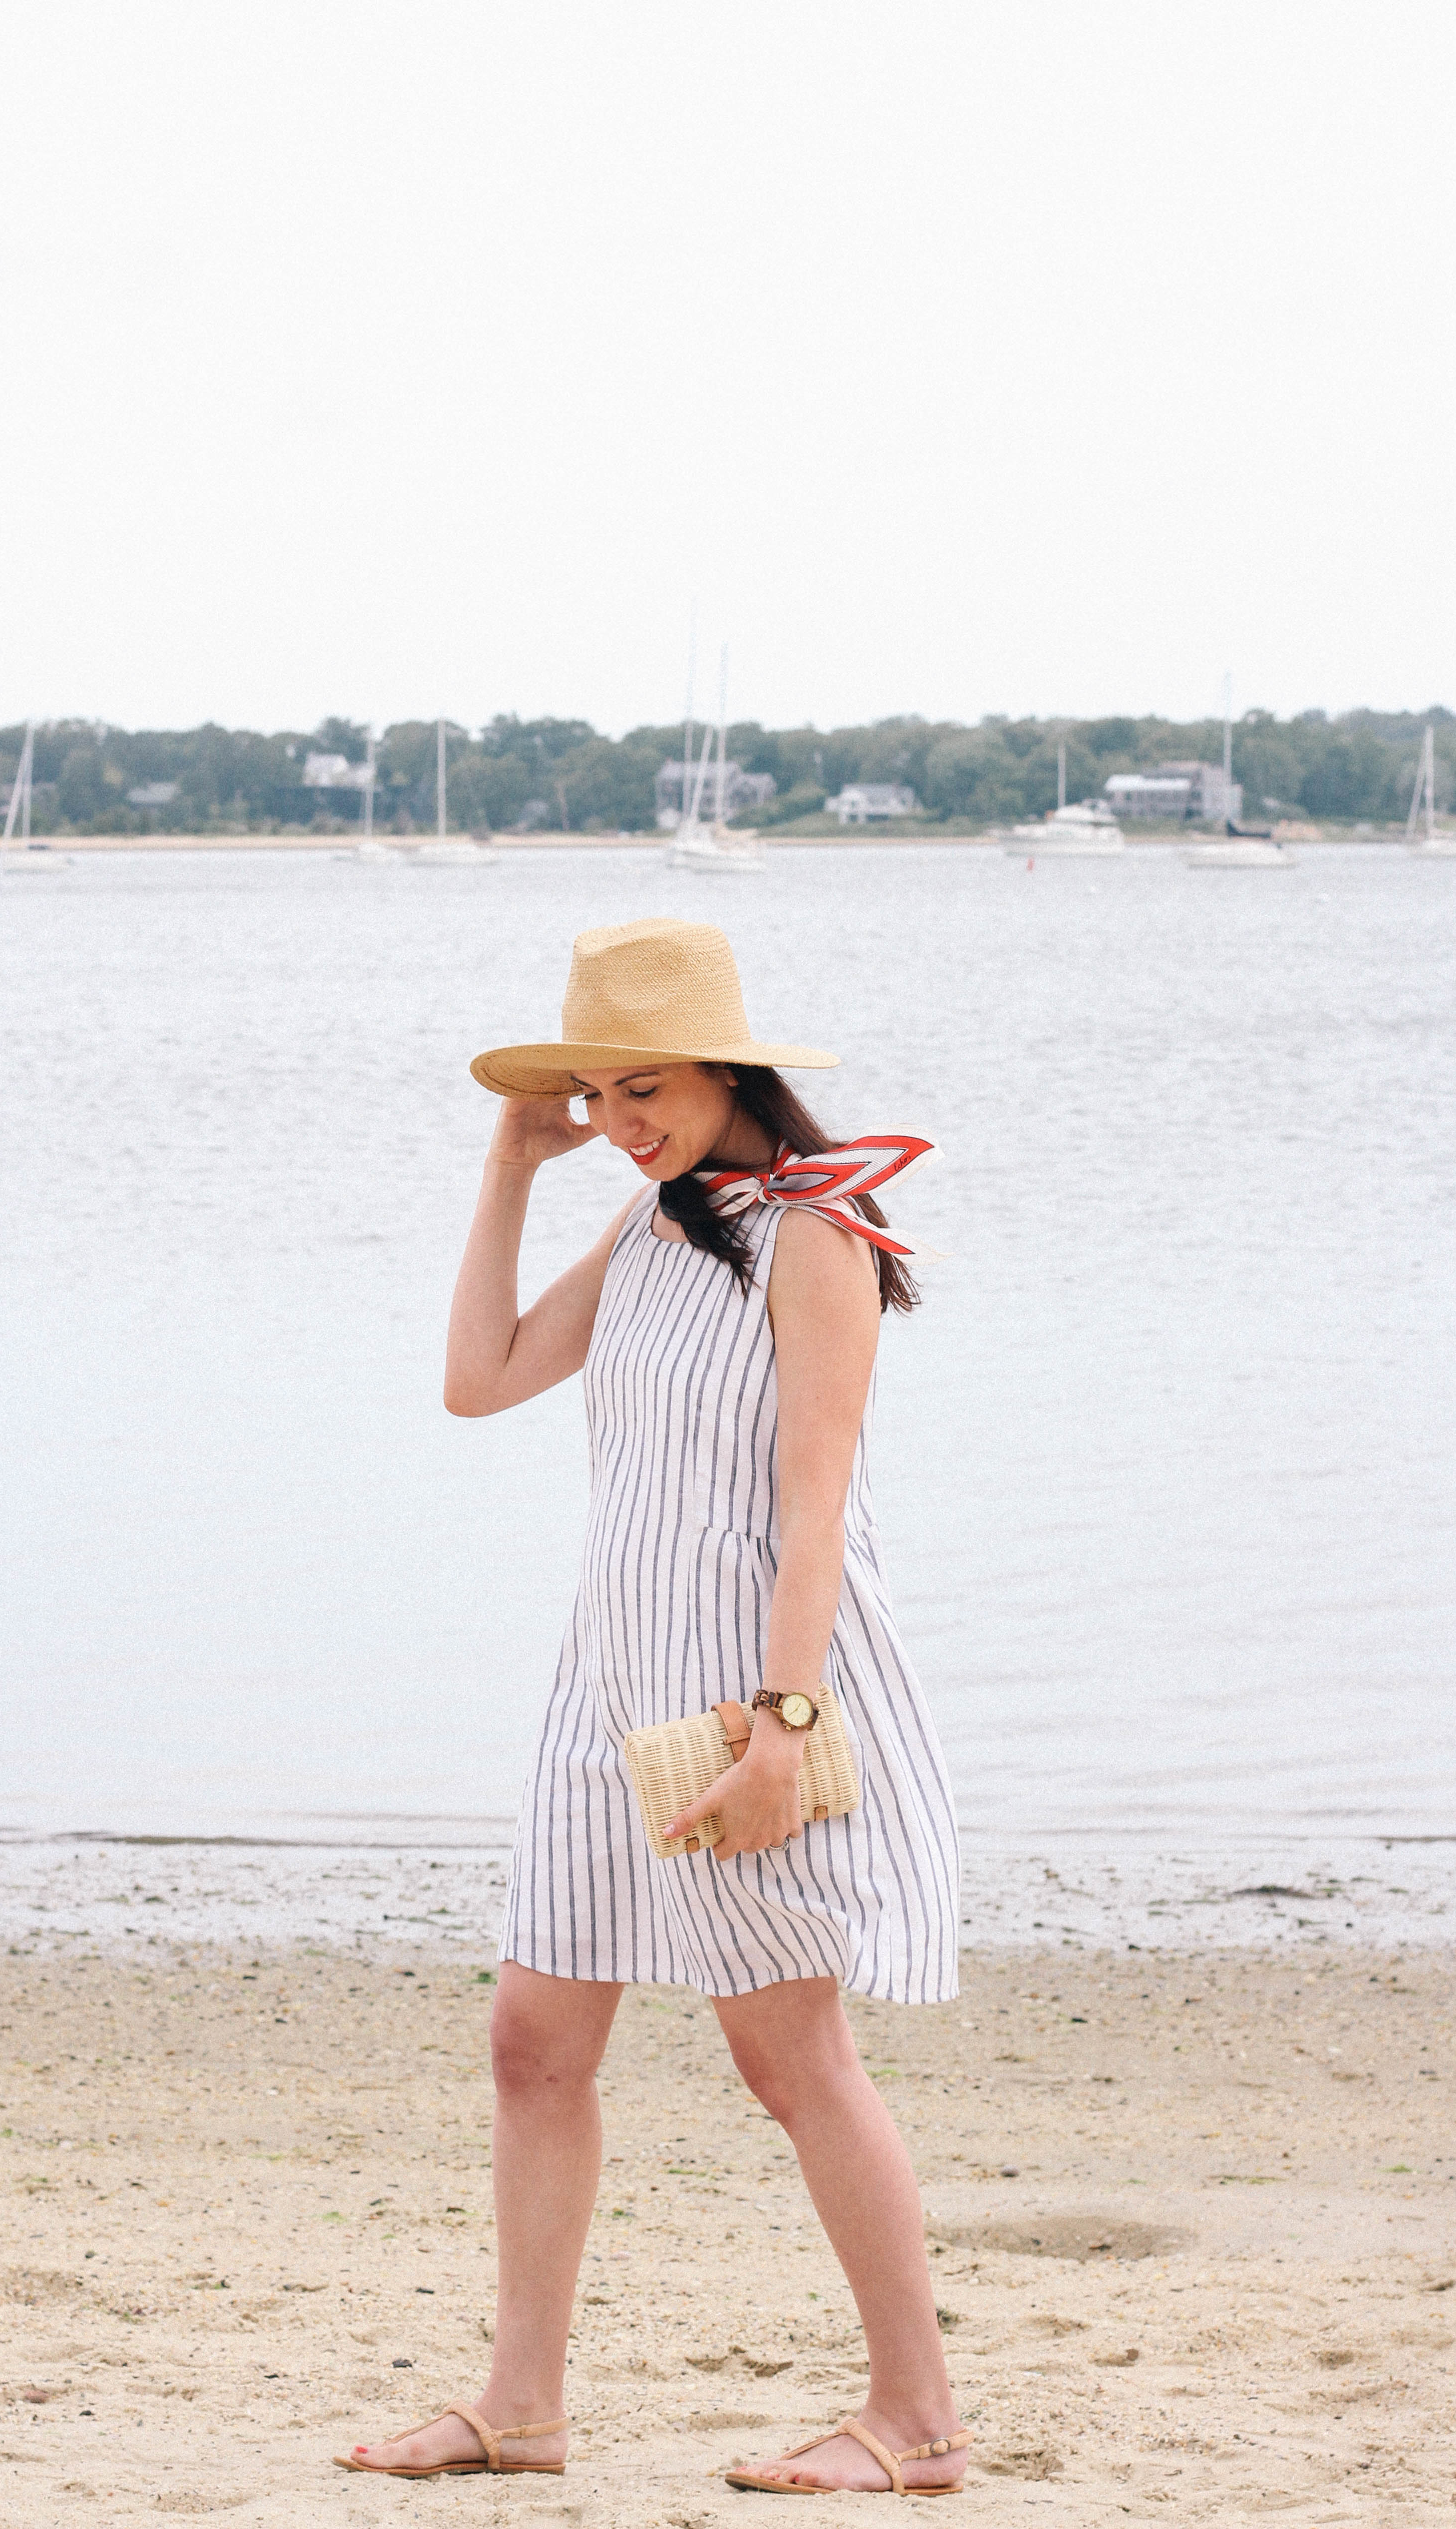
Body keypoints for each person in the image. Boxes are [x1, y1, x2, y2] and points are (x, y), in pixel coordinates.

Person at [338, 918, 968, 2496]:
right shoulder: (648, 1228)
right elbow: (475, 1378)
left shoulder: (815, 1230)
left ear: (727, 1068)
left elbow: (815, 1504)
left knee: (790, 2054)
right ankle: (522, 2405)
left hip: (746, 1692)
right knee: (532, 2042)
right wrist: (514, 1160)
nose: (623, 1122)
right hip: (599, 1682)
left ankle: (918, 2418)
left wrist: (787, 1726)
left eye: (649, 1088)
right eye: (597, 1092)